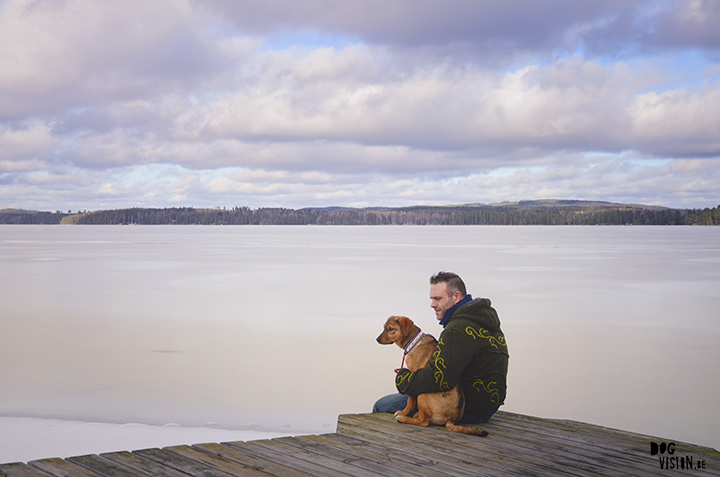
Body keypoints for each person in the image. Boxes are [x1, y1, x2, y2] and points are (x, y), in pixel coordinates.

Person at [372, 271, 509, 424]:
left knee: (381, 406)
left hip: (464, 408)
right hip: (489, 406)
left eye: (438, 299)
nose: (432, 304)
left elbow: (440, 378)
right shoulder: (483, 319)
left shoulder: (456, 330)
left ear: (456, 297)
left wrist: (404, 380)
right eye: (432, 299)